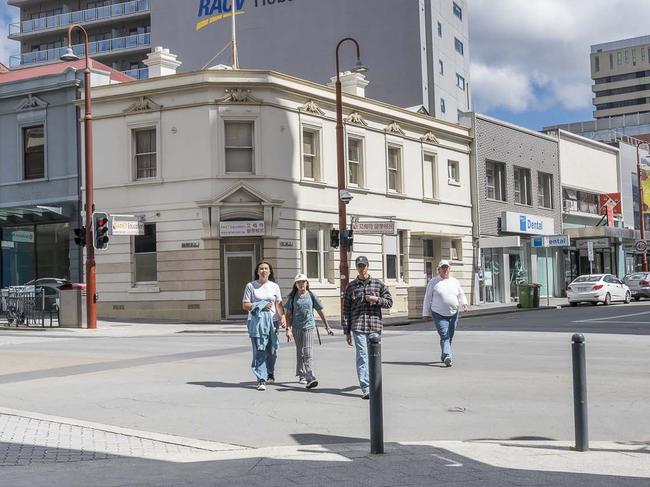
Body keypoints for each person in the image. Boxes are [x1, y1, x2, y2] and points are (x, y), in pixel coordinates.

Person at [343, 255, 393, 399]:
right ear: (356, 268)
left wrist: (375, 299)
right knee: (362, 356)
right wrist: (346, 330)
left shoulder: (378, 284)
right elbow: (346, 309)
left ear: (368, 266)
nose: (361, 268)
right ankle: (366, 387)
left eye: (363, 266)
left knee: (374, 357)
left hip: (374, 325)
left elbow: (389, 302)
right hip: (358, 326)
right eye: (359, 266)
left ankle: (374, 383)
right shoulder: (351, 286)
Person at [242, 261, 287, 391]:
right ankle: (261, 378)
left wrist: (282, 317)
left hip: (272, 322)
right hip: (257, 322)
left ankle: (270, 371)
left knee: (272, 351)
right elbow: (245, 305)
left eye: (266, 268)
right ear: (257, 271)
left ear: (270, 271)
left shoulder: (274, 286)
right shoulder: (251, 286)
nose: (263, 271)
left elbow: (278, 304)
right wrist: (260, 305)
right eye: (261, 268)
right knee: (259, 350)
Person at [284, 274, 333, 389]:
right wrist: (288, 329)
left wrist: (327, 326)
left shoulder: (311, 295)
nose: (301, 284)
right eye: (299, 282)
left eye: (303, 282)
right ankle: (302, 374)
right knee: (300, 352)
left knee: (308, 352)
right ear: (295, 285)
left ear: (307, 283)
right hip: (296, 328)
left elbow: (320, 311)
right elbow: (288, 315)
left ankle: (310, 376)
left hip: (309, 327)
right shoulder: (292, 298)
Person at [422, 260, 468, 367]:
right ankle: (448, 355)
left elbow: (461, 294)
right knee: (444, 335)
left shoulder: (455, 281)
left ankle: (444, 355)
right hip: (438, 313)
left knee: (449, 336)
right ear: (439, 270)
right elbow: (427, 298)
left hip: (453, 313)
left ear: (449, 269)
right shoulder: (433, 282)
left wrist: (464, 303)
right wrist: (425, 313)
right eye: (443, 268)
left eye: (447, 268)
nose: (445, 270)